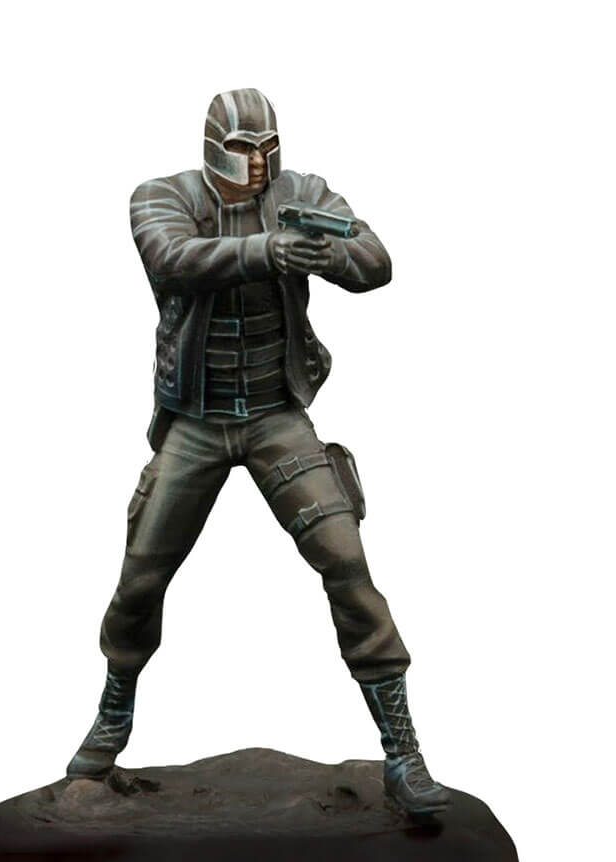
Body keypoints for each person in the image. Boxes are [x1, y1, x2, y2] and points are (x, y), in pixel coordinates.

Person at [67, 88, 449, 814]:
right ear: (215, 148)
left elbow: (375, 261)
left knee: (345, 561)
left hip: (277, 415)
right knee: (142, 575)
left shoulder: (301, 193)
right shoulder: (162, 196)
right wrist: (266, 249)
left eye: (268, 148)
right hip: (197, 422)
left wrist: (327, 250)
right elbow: (171, 257)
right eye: (245, 149)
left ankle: (402, 751)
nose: (259, 163)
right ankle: (111, 719)